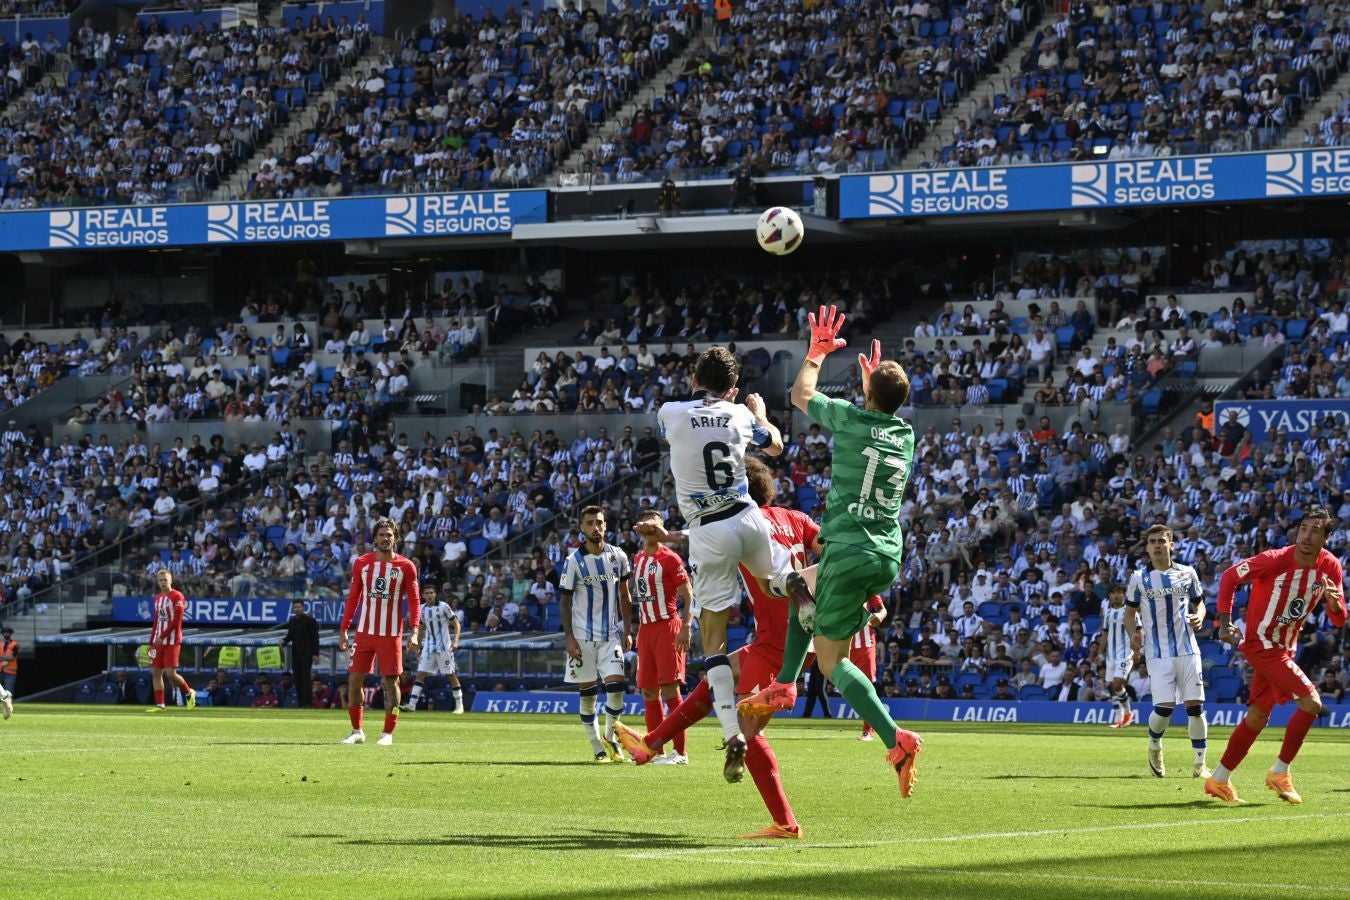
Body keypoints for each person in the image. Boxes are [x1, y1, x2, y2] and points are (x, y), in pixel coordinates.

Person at [740, 307, 924, 799]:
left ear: (865, 397)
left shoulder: (851, 419)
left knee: (832, 665)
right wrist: (874, 387)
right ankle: (783, 684)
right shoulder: (905, 435)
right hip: (886, 552)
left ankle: (897, 741)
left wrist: (817, 351)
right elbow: (884, 407)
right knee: (800, 584)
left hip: (848, 549)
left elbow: (800, 395)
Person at [617, 457, 827, 839]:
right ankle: (652, 743)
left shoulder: (743, 522)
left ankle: (784, 821)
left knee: (750, 727)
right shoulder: (795, 517)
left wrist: (667, 537)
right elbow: (827, 546)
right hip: (803, 634)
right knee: (720, 678)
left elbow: (705, 537)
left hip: (774, 642)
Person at [655, 345, 786, 781]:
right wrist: (760, 412)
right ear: (733, 388)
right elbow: (777, 446)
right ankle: (797, 589)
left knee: (713, 641)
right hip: (749, 517)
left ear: (694, 380)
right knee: (774, 582)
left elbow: (678, 434)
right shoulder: (741, 416)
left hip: (709, 529)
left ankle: (732, 733)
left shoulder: (670, 411)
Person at [1206, 507, 1347, 804]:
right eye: (1304, 528)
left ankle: (1218, 779)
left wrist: (1333, 605)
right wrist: (1224, 622)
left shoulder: (1331, 566)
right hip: (1261, 644)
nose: (1307, 535)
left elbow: (1338, 619)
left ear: (1326, 537)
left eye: (1315, 531)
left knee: (1258, 716)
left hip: (1285, 648)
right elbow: (1231, 577)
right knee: (1311, 703)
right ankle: (1280, 772)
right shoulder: (1274, 560)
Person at [1124, 524, 1210, 778]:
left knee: (1195, 707)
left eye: (1162, 541)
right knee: (1165, 708)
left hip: (1187, 649)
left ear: (1171, 545)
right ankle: (1154, 745)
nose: (1157, 545)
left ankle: (1200, 764)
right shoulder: (1139, 578)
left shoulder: (1187, 573)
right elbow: (1129, 614)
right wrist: (1133, 635)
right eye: (1152, 541)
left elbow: (1200, 603)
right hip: (1158, 653)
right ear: (1147, 547)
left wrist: (1200, 617)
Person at [560, 505, 633, 762]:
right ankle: (596, 747)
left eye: (599, 522)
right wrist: (569, 637)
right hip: (581, 637)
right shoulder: (573, 562)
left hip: (611, 635)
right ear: (582, 528)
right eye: (590, 523)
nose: (595, 527)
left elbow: (625, 595)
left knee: (616, 687)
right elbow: (565, 601)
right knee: (588, 695)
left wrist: (628, 629)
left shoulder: (618, 556)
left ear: (605, 525)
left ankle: (611, 738)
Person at [339, 517, 421, 746]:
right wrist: (344, 629)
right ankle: (357, 731)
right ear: (374, 538)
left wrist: (414, 631)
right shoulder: (362, 563)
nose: (386, 539)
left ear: (395, 539)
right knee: (354, 679)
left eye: (390, 535)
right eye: (382, 535)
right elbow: (353, 598)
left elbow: (414, 601)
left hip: (391, 634)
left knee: (390, 682)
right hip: (364, 632)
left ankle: (387, 733)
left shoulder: (406, 566)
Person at [630, 509, 694, 765]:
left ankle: (681, 753)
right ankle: (658, 750)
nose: (649, 526)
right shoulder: (637, 558)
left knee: (670, 688)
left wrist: (686, 626)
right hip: (646, 630)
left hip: (668, 626)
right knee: (648, 691)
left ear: (661, 527)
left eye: (654, 523)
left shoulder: (670, 558)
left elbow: (689, 596)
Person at [402, 584, 465, 714]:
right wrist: (418, 649)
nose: (429, 595)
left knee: (450, 675)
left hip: (444, 648)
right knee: (420, 675)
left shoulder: (444, 607)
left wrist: (456, 640)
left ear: (435, 594)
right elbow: (420, 630)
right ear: (423, 596)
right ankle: (412, 705)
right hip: (428, 648)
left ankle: (460, 706)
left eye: (431, 593)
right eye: (427, 593)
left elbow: (456, 624)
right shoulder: (421, 609)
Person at [145, 569, 197, 712]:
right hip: (158, 642)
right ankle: (160, 705)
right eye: (160, 580)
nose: (162, 582)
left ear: (171, 580)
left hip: (172, 641)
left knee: (170, 674)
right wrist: (151, 642)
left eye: (165, 580)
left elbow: (176, 621)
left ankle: (189, 692)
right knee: (155, 672)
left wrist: (162, 637)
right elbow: (156, 621)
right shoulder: (157, 598)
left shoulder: (177, 596)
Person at [850, 597, 887, 740]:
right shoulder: (836, 583)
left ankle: (868, 730)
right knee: (853, 691)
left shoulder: (869, 587)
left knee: (867, 688)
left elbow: (882, 610)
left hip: (865, 647)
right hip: (842, 645)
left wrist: (880, 615)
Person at [1101, 583, 1136, 728]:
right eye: (1114, 592)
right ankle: (1119, 719)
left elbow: (1138, 630)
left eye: (1120, 592)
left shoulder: (1129, 611)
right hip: (1111, 654)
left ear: (1124, 595)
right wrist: (1098, 653)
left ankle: (1127, 713)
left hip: (1125, 653)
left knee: (1117, 684)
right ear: (1109, 595)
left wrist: (1138, 649)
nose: (1117, 595)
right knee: (1114, 688)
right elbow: (1105, 633)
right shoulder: (1107, 613)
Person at [280, 600, 320, 707]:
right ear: (293, 609)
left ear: (303, 608)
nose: (297, 609)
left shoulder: (310, 621)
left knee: (305, 678)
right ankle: (301, 703)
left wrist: (316, 654)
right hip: (295, 654)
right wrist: (284, 641)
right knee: (297, 679)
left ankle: (308, 703)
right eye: (295, 607)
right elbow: (290, 635)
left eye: (299, 607)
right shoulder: (292, 620)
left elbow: (315, 638)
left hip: (307, 654)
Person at [0, 625, 17, 697]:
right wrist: (7, 657)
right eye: (4, 633)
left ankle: (8, 707)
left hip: (10, 672)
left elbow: (12, 657)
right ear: (2, 634)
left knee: (8, 692)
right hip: (0, 671)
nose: (6, 634)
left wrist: (1, 657)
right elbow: (9, 657)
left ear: (11, 634)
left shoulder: (15, 645)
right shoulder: (0, 644)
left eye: (8, 633)